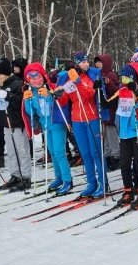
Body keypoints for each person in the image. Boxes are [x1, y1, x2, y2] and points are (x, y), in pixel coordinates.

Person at [22, 63, 74, 196]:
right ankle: (59, 178)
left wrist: (49, 96)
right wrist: (27, 100)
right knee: (52, 152)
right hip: (45, 124)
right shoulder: (32, 92)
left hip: (56, 123)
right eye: (32, 79)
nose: (36, 81)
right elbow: (30, 112)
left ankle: (67, 180)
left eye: (38, 77)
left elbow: (59, 104)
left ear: (43, 76)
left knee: (59, 152)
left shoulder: (52, 87)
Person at [61, 51, 107, 198]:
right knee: (85, 154)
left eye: (87, 61)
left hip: (92, 117)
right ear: (76, 64)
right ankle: (92, 183)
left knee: (96, 153)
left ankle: (103, 183)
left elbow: (89, 95)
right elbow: (65, 101)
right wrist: (57, 94)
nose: (86, 64)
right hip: (77, 120)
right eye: (82, 62)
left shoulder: (92, 76)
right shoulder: (69, 78)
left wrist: (78, 83)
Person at [111, 62, 138, 210]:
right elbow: (108, 101)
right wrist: (100, 91)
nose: (123, 80)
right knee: (124, 163)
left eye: (126, 77)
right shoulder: (122, 89)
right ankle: (128, 191)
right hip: (124, 131)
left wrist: (137, 91)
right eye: (122, 77)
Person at [0, 58, 32, 192]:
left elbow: (22, 102)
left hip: (18, 123)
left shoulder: (17, 84)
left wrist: (9, 96)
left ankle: (26, 177)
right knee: (11, 152)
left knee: (22, 151)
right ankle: (15, 175)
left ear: (6, 74)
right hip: (6, 124)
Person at [94, 53, 120, 171]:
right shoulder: (98, 75)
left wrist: (109, 84)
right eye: (96, 62)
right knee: (106, 135)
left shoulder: (110, 75)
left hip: (111, 109)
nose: (97, 64)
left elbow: (116, 92)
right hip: (103, 110)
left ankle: (116, 157)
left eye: (100, 62)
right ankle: (108, 157)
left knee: (111, 134)